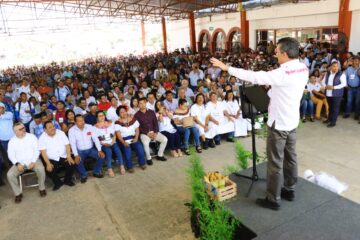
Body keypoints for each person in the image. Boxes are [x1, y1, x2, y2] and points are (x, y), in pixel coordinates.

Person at [211, 37, 308, 210]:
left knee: (275, 163)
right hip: (292, 121)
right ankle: (289, 189)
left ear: (285, 53)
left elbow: (254, 77)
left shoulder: (281, 73)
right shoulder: (303, 68)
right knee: (291, 158)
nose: (275, 54)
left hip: (278, 124)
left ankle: (273, 199)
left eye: (277, 51)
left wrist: (227, 68)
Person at [7, 122, 46, 203]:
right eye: (20, 129)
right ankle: (18, 193)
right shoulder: (12, 141)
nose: (23, 130)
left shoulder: (32, 137)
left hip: (33, 161)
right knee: (10, 174)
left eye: (23, 127)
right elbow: (10, 154)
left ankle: (42, 188)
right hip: (20, 163)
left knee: (41, 169)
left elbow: (37, 150)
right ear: (15, 131)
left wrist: (33, 161)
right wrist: (17, 164)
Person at [39, 121, 76, 191]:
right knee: (49, 169)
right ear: (45, 130)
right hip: (52, 159)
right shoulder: (42, 138)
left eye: (53, 126)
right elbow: (43, 152)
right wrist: (48, 163)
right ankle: (58, 183)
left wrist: (69, 156)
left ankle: (67, 180)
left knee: (71, 164)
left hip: (64, 155)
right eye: (50, 127)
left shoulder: (61, 133)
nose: (53, 128)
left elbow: (67, 145)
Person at [68, 115, 105, 183]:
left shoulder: (90, 127)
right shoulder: (72, 130)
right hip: (80, 150)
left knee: (102, 156)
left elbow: (95, 139)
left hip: (90, 149)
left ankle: (96, 172)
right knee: (78, 160)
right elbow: (72, 144)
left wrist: (99, 150)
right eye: (79, 121)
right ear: (75, 122)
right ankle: (83, 175)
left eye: (83, 120)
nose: (82, 122)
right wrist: (76, 155)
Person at [134, 98, 168, 165]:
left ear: (146, 103)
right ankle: (148, 158)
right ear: (138, 105)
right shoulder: (136, 115)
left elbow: (155, 123)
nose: (142, 104)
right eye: (140, 103)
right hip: (144, 133)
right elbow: (138, 127)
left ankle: (160, 155)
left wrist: (155, 132)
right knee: (145, 143)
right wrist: (147, 133)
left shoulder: (151, 112)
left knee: (165, 139)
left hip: (154, 132)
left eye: (144, 103)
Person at [115, 106, 146, 172]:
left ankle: (142, 163)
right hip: (124, 140)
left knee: (140, 149)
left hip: (133, 138)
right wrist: (123, 142)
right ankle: (129, 167)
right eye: (121, 112)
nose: (124, 113)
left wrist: (136, 138)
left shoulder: (133, 119)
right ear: (118, 114)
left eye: (124, 111)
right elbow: (118, 135)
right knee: (128, 152)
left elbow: (137, 130)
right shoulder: (117, 123)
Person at [95, 111, 125, 177]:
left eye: (103, 115)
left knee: (117, 150)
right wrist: (104, 143)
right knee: (109, 151)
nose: (102, 117)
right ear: (97, 118)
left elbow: (114, 134)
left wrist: (113, 141)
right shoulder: (95, 127)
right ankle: (109, 168)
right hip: (103, 144)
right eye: (100, 116)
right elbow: (96, 139)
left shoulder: (109, 124)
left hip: (112, 141)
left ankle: (121, 165)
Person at [322, 61, 347, 128]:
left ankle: (333, 122)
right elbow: (323, 81)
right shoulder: (327, 73)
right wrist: (325, 86)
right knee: (330, 107)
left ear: (338, 67)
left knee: (335, 108)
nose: (335, 68)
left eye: (337, 66)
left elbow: (344, 84)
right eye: (334, 66)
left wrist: (334, 87)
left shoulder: (341, 74)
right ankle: (329, 119)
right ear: (331, 67)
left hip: (337, 94)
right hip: (328, 94)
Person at [0, 102, 14, 185]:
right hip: (2, 139)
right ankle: (13, 168)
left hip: (12, 138)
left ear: (3, 108)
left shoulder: (9, 114)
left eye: (0, 108)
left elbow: (6, 117)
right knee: (7, 155)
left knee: (14, 152)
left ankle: (17, 166)